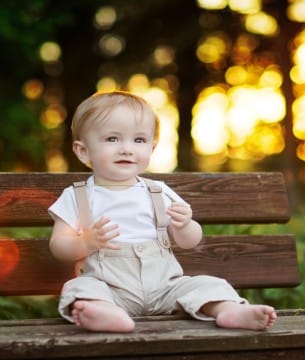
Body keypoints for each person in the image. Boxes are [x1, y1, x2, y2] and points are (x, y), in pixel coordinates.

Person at [48, 91, 277, 333]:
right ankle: (105, 313)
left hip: (166, 288)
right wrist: (85, 242)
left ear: (152, 147)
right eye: (113, 139)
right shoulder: (77, 195)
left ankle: (229, 310)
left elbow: (190, 241)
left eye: (139, 140)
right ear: (83, 151)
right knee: (81, 288)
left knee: (207, 284)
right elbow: (58, 246)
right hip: (110, 287)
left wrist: (184, 226)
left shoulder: (158, 192)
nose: (127, 149)